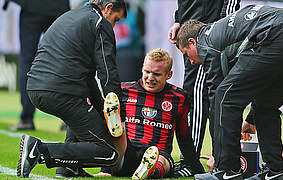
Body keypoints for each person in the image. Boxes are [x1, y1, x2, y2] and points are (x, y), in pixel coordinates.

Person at [176, 5, 283, 180]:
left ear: (192, 42)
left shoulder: (207, 43)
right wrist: (251, 119)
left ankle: (227, 170)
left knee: (223, 98)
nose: (191, 62)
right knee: (266, 106)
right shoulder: (223, 35)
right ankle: (275, 172)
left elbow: (218, 100)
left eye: (187, 54)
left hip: (278, 34)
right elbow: (257, 81)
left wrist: (217, 155)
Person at [16, 0, 127, 178]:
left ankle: (68, 168)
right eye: (116, 19)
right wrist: (118, 114)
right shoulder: (100, 23)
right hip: (62, 91)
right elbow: (107, 72)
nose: (113, 25)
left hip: (36, 87)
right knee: (108, 153)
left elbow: (89, 80)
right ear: (108, 9)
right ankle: (40, 149)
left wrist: (101, 111)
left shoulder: (69, 16)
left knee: (79, 115)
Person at [97, 48, 204, 179]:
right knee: (118, 133)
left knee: (161, 161)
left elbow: (183, 135)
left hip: (158, 154)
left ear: (169, 75)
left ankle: (147, 170)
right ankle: (111, 166)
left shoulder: (179, 97)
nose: (150, 78)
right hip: (127, 151)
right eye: (147, 72)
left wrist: (194, 164)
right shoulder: (123, 91)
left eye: (157, 74)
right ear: (142, 68)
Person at [167, 0, 241, 175]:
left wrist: (219, 34)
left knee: (198, 97)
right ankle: (196, 159)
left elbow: (230, 4)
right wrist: (179, 21)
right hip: (193, 35)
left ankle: (194, 161)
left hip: (208, 40)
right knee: (193, 95)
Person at [6, 0, 70, 130]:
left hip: (32, 7)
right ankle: (69, 120)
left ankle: (26, 119)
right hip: (58, 9)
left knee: (27, 62)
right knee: (65, 62)